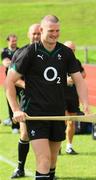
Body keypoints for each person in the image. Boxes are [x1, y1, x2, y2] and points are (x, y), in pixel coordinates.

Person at [5, 15, 89, 180]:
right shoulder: (30, 52)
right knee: (43, 160)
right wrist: (15, 110)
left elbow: (79, 80)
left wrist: (85, 105)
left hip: (57, 114)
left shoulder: (65, 53)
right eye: (51, 31)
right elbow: (9, 82)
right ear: (41, 30)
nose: (55, 34)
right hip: (36, 114)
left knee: (52, 162)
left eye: (58, 31)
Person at [11, 23, 41, 178]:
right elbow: (11, 79)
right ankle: (20, 168)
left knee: (45, 137)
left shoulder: (48, 53)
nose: (36, 36)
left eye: (39, 33)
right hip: (27, 101)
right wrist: (27, 85)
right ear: (29, 35)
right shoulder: (21, 53)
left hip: (47, 102)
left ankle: (45, 171)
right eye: (34, 33)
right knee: (25, 134)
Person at [64, 41, 86, 155]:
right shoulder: (57, 61)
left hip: (72, 96)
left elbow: (83, 73)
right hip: (59, 95)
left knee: (71, 122)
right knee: (59, 121)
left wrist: (77, 78)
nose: (71, 52)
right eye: (69, 49)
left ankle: (69, 146)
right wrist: (65, 80)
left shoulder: (76, 61)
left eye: (73, 50)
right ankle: (56, 145)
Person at [1, 34, 20, 133]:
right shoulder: (5, 51)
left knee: (21, 102)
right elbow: (5, 63)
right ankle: (14, 126)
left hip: (20, 81)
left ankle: (21, 124)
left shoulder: (19, 50)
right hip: (10, 81)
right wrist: (17, 63)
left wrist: (12, 62)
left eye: (15, 41)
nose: (14, 43)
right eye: (12, 41)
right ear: (8, 41)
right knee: (11, 103)